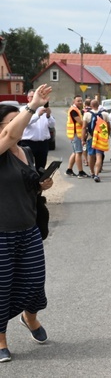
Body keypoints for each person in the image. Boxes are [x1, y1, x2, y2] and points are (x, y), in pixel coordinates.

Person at [0, 85, 54, 363]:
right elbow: (9, 135)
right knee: (1, 286)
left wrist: (42, 183)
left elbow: (30, 189)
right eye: (12, 122)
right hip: (1, 233)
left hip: (28, 228)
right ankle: (0, 339)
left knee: (34, 283)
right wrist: (31, 106)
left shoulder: (26, 152)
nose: (18, 128)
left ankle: (29, 317)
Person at [19, 89, 54, 172]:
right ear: (28, 98)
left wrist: (48, 115)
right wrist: (37, 115)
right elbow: (25, 123)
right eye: (32, 97)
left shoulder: (43, 109)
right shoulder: (23, 109)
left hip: (43, 143)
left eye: (36, 97)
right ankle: (29, 183)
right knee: (27, 165)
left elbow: (52, 125)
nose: (35, 99)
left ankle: (40, 183)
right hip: (28, 142)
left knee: (41, 167)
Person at [83, 99, 110, 183]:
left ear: (91, 105)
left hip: (91, 138)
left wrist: (83, 139)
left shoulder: (87, 114)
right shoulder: (105, 114)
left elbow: (84, 127)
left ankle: (92, 172)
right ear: (99, 105)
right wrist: (107, 136)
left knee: (91, 155)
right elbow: (108, 127)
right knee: (99, 156)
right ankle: (97, 174)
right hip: (101, 138)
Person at [64, 95, 88, 178]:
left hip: (75, 134)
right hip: (76, 134)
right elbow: (80, 122)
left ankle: (69, 170)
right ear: (74, 102)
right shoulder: (73, 110)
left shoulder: (77, 109)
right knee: (79, 152)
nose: (80, 102)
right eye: (78, 101)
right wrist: (87, 123)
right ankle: (80, 172)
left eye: (81, 101)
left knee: (75, 152)